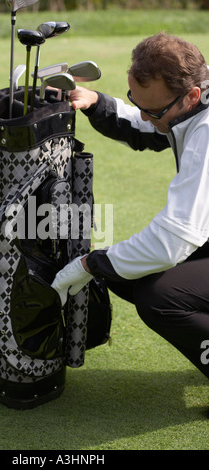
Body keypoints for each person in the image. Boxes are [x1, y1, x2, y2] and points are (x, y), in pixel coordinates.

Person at [51, 32, 209, 412]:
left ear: (190, 97)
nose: (144, 114)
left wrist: (89, 262)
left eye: (152, 111)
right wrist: (95, 103)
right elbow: (150, 126)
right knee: (130, 274)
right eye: (137, 101)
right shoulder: (193, 99)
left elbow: (173, 240)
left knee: (161, 297)